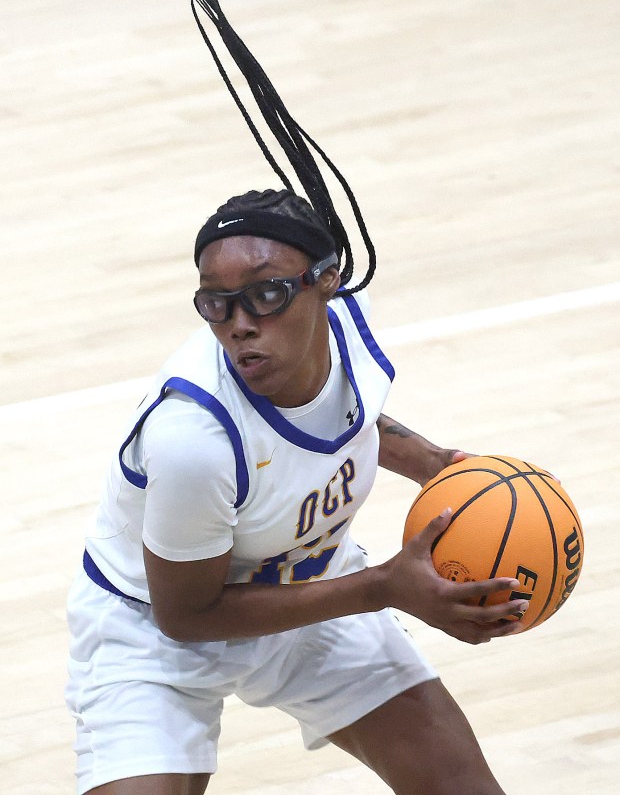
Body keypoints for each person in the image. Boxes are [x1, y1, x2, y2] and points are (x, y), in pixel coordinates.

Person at [65, 187, 530, 795]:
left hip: (308, 588)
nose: (240, 325)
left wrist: (434, 464)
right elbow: (187, 615)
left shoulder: (347, 329)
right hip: (154, 628)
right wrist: (384, 587)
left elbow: (346, 412)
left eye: (266, 294)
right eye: (217, 304)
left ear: (326, 282)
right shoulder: (193, 439)